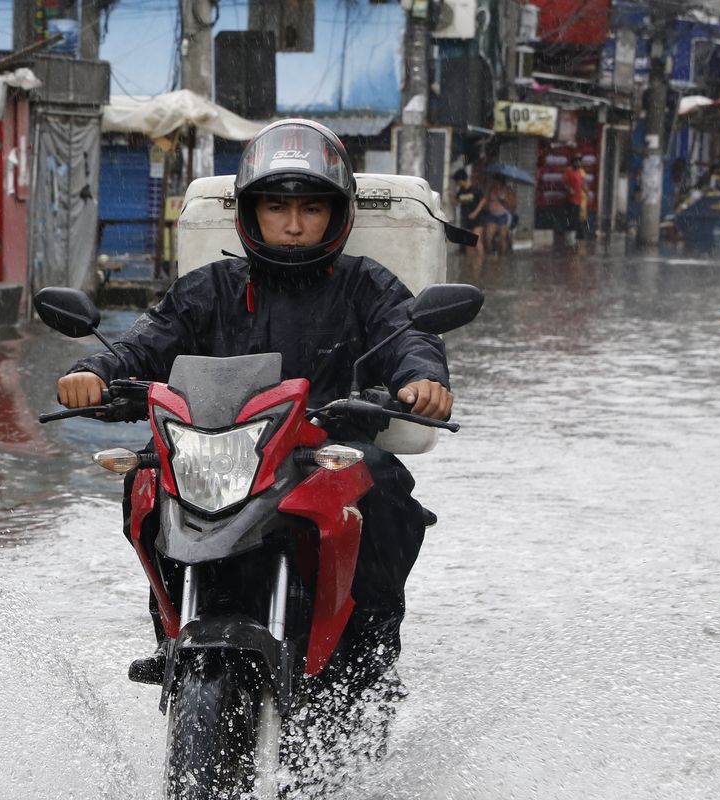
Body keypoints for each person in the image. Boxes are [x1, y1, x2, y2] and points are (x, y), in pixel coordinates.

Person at [56, 119, 452, 696]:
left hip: (322, 451)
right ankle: (169, 631)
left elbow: (411, 336)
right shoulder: (208, 289)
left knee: (388, 488)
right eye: (276, 208)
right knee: (145, 476)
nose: (293, 225)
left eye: (312, 209)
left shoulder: (366, 285)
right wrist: (93, 372)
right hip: (222, 451)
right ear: (250, 213)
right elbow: (145, 341)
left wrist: (422, 379)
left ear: (336, 215)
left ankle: (368, 653)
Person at [453, 169, 485, 255]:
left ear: (461, 180)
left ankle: (480, 265)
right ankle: (469, 265)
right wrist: (449, 195)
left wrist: (475, 213)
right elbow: (457, 202)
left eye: (457, 182)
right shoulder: (461, 191)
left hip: (477, 219)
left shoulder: (475, 189)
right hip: (466, 219)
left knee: (477, 242)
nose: (457, 184)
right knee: (468, 244)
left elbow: (483, 200)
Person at [561, 161, 590, 243]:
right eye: (577, 162)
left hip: (578, 200)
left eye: (580, 162)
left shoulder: (579, 173)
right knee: (572, 218)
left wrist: (587, 192)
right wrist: (569, 189)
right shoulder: (569, 171)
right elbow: (564, 182)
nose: (579, 164)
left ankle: (576, 237)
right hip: (571, 200)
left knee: (576, 218)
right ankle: (574, 238)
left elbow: (582, 184)